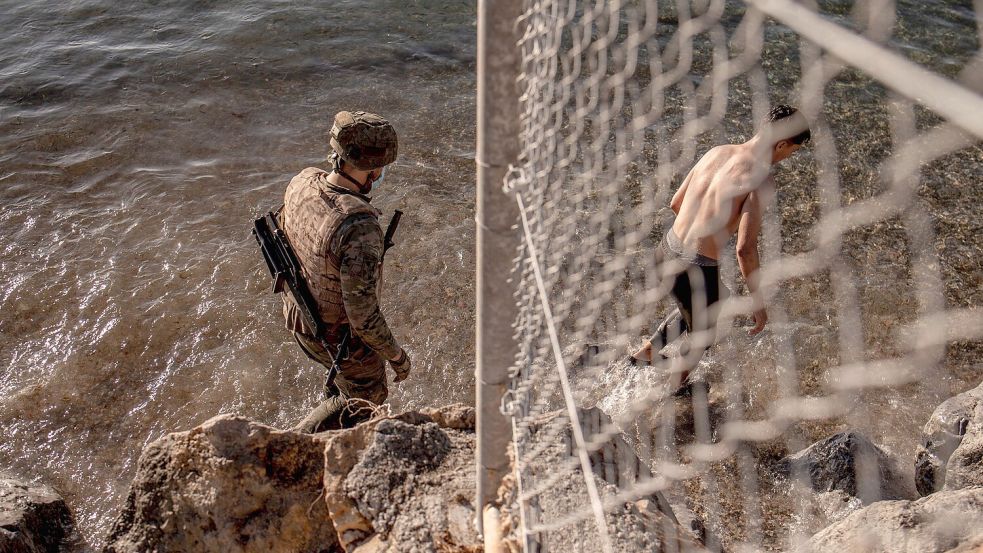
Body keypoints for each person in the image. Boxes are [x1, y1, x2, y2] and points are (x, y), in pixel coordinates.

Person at [630, 105, 811, 392]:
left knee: (717, 299)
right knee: (703, 336)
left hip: (664, 251)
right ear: (781, 144)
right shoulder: (761, 178)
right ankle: (674, 390)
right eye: (793, 151)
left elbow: (676, 202)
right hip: (696, 269)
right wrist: (758, 303)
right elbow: (745, 250)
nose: (789, 157)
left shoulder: (717, 151)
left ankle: (648, 352)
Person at [280, 110, 411, 432]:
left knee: (344, 382)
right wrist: (396, 356)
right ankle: (299, 441)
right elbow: (362, 316)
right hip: (334, 336)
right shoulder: (359, 228)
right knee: (368, 397)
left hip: (298, 317)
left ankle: (335, 392)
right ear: (374, 168)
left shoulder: (302, 182)